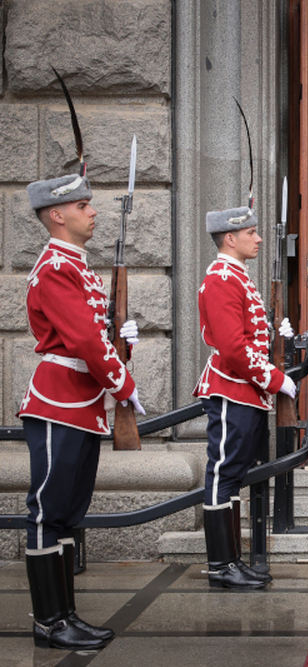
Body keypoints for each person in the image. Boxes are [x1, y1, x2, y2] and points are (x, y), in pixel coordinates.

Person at [20, 172, 145, 650]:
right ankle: (49, 622)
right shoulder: (56, 266)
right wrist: (124, 383)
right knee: (48, 510)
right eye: (83, 205)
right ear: (58, 214)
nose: (93, 212)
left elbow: (97, 338)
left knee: (69, 513)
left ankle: (65, 615)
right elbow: (82, 341)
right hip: (59, 401)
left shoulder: (78, 265)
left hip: (83, 402)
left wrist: (123, 346)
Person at [195, 204, 297, 589]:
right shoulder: (222, 277)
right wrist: (275, 379)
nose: (257, 238)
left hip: (245, 391)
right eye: (250, 233)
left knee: (233, 476)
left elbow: (249, 337)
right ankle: (221, 565)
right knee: (222, 474)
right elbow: (234, 349)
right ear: (229, 238)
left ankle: (232, 561)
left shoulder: (236, 276)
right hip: (231, 388)